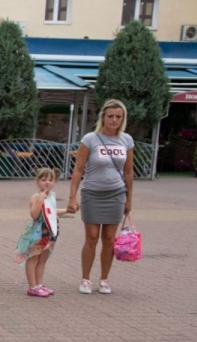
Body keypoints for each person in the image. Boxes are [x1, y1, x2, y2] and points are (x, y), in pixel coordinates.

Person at [67, 98, 134, 295]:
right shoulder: (90, 139)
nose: (114, 120)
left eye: (118, 117)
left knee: (109, 239)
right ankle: (85, 279)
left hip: (116, 193)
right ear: (103, 117)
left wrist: (129, 199)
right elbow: (78, 170)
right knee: (92, 237)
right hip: (92, 193)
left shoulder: (126, 140)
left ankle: (104, 279)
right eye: (110, 116)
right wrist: (72, 197)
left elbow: (129, 171)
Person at [14, 168, 68, 297]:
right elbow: (34, 214)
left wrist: (67, 210)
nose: (47, 182)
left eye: (50, 180)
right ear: (38, 181)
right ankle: (32, 286)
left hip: (50, 232)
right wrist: (40, 200)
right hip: (38, 233)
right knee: (33, 258)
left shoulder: (52, 195)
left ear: (54, 182)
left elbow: (52, 211)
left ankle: (39, 284)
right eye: (44, 180)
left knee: (43, 259)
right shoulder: (36, 197)